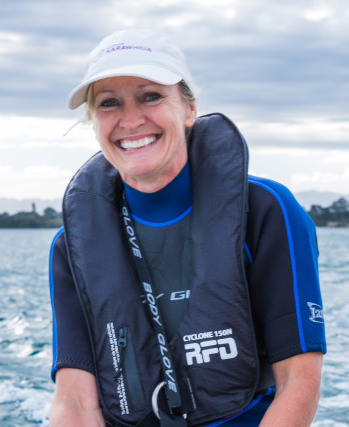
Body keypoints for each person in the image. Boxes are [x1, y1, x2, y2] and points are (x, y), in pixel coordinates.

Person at [48, 29, 326, 427]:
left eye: (151, 96)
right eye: (109, 103)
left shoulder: (266, 210)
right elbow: (74, 402)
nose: (131, 120)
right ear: (95, 122)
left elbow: (299, 383)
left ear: (189, 109)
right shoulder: (73, 246)